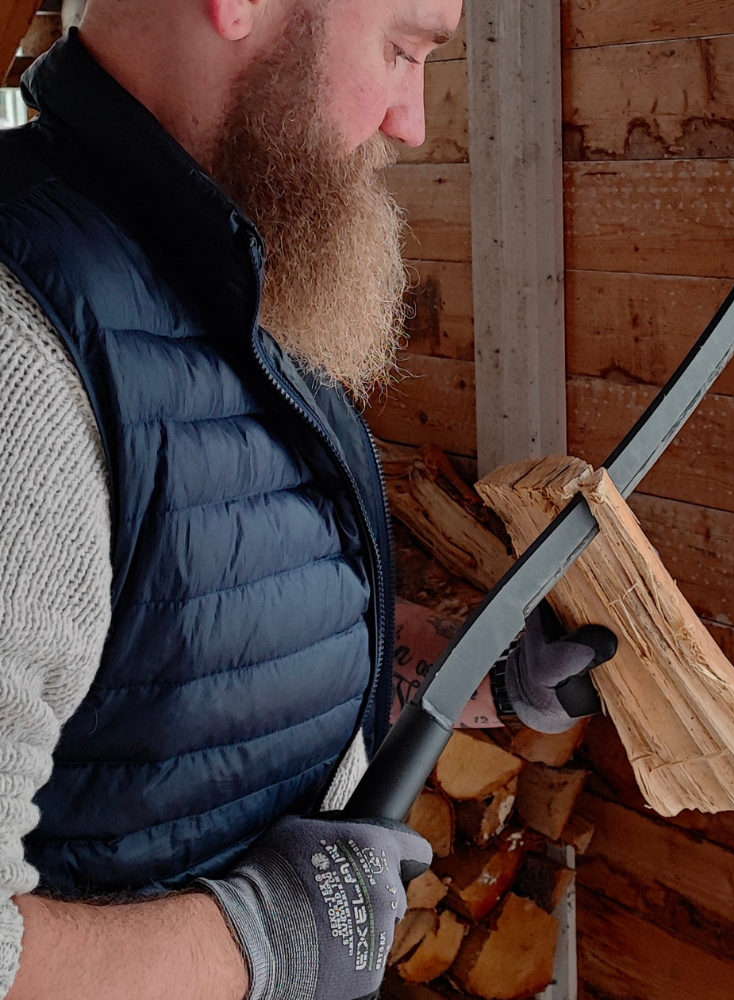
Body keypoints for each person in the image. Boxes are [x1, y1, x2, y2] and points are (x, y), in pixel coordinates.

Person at [0, 1, 617, 998]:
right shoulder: (21, 353)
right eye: (402, 50)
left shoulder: (240, 257)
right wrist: (254, 944)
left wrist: (461, 675)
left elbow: (192, 668)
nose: (412, 120)